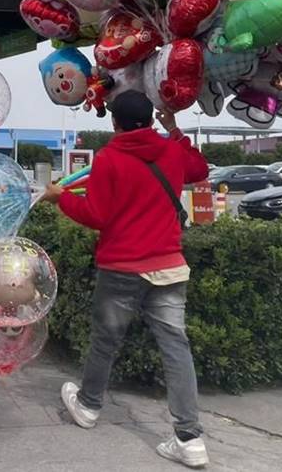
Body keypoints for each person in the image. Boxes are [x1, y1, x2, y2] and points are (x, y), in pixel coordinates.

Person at [40, 90, 210, 469]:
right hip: (168, 266)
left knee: (106, 341)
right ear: (150, 118)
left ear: (115, 123)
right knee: (176, 349)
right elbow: (199, 171)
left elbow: (96, 214)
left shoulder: (110, 158)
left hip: (121, 268)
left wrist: (60, 198)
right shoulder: (169, 151)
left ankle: (88, 406)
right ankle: (190, 437)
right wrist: (175, 131)